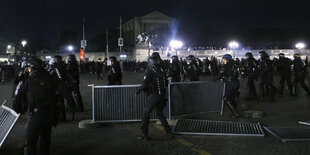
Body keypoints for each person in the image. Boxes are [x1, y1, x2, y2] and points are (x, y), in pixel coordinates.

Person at [13, 56, 57, 155]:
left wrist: (18, 109)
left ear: (31, 67)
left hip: (35, 113)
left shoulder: (29, 79)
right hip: (50, 112)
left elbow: (19, 96)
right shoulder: (49, 76)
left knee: (31, 140)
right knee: (45, 139)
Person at [136, 56, 173, 140]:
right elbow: (166, 83)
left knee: (146, 113)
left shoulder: (150, 72)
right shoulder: (162, 71)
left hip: (154, 95)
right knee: (160, 114)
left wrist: (138, 90)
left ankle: (144, 134)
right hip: (163, 96)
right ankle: (169, 132)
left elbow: (145, 84)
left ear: (151, 63)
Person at [217, 54, 240, 118]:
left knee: (226, 98)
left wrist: (217, 78)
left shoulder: (226, 66)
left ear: (227, 60)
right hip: (236, 83)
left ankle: (235, 113)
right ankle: (236, 112)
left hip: (231, 84)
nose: (223, 61)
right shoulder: (234, 65)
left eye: (224, 59)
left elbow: (222, 74)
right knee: (232, 99)